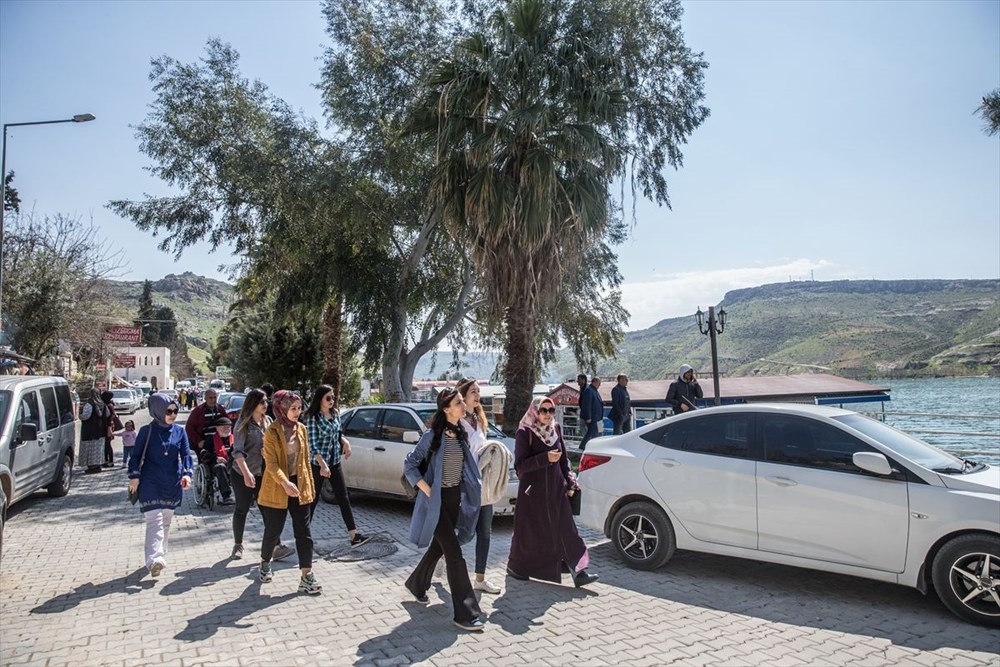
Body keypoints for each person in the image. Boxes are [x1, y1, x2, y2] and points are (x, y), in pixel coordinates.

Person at [402, 388, 486, 632]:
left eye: (462, 402)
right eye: (458, 403)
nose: (462, 406)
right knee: (455, 554)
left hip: (453, 501)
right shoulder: (432, 436)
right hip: (434, 503)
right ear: (446, 409)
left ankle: (416, 584)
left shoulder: (460, 434)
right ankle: (466, 613)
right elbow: (410, 464)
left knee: (439, 547)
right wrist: (426, 488)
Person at [507, 396, 598, 588]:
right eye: (543, 410)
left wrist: (571, 482)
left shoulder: (555, 429)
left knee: (567, 530)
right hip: (533, 494)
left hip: (557, 490)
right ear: (535, 411)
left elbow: (564, 459)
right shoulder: (525, 432)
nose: (548, 415)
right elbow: (521, 467)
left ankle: (579, 571)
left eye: (551, 410)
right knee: (529, 534)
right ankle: (517, 567)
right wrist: (545, 458)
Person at [258, 390, 322, 595]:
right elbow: (271, 463)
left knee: (304, 533)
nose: (297, 412)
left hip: (300, 486)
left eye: (298, 408)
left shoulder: (302, 429)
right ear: (281, 408)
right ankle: (265, 562)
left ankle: (306, 576)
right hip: (278, 486)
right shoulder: (272, 432)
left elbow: (304, 461)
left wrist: (308, 488)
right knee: (273, 531)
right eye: (292, 408)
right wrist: (285, 483)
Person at [453, 376, 510, 595]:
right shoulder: (458, 423)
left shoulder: (480, 418)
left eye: (478, 391)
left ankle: (480, 579)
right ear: (463, 396)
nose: (478, 395)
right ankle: (439, 553)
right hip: (465, 485)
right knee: (465, 533)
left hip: (483, 485)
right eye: (473, 392)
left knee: (485, 533)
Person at [128, 394, 193, 577]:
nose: (173, 415)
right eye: (168, 411)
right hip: (150, 482)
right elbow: (135, 457)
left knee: (165, 521)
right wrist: (134, 477)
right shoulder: (146, 431)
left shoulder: (180, 432)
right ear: (157, 410)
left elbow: (186, 455)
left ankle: (161, 553)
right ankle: (154, 559)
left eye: (175, 411)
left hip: (171, 482)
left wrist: (187, 474)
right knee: (154, 520)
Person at [229, 389, 294, 561]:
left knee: (268, 509)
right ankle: (238, 544)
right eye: (262, 402)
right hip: (242, 472)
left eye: (266, 401)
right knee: (242, 509)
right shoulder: (243, 424)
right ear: (253, 404)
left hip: (263, 474)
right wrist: (246, 473)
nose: (266, 405)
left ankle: (276, 546)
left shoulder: (268, 422)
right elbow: (238, 452)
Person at [304, 384, 368, 546]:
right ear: (320, 399)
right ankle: (303, 536)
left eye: (333, 397)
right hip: (318, 464)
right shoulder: (313, 417)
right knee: (313, 499)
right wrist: (322, 464)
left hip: (334, 462)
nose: (332, 400)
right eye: (328, 398)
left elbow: (338, 433)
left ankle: (354, 536)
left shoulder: (335, 414)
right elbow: (312, 444)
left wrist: (345, 442)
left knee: (343, 498)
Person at [79, 389, 109, 474]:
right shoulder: (102, 404)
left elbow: (85, 416)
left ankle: (92, 467)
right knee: (98, 449)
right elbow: (107, 414)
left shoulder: (89, 404)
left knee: (90, 449)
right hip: (100, 430)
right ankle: (97, 466)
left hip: (89, 431)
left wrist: (79, 416)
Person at [209, 417, 235, 505]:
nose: (227, 429)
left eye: (229, 427)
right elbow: (204, 453)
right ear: (217, 428)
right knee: (221, 467)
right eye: (224, 427)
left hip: (232, 464)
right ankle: (226, 496)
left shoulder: (234, 439)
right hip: (216, 465)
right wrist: (216, 458)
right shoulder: (211, 439)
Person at [578, 376, 603, 451]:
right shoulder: (589, 390)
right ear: (595, 382)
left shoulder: (593, 390)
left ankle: (583, 446)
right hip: (592, 416)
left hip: (595, 416)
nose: (600, 385)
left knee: (590, 432)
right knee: (593, 433)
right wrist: (588, 417)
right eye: (599, 383)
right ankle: (592, 447)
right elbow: (587, 404)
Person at [102, 391, 123, 468]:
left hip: (109, 426)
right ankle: (106, 460)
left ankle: (110, 461)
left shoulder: (109, 405)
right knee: (106, 444)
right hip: (108, 426)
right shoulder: (109, 404)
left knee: (107, 444)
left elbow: (110, 418)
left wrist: (109, 429)